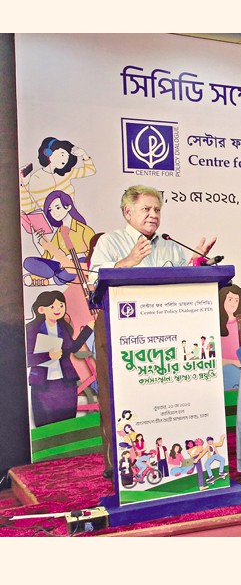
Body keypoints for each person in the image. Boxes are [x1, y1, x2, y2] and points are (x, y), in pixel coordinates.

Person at [90, 184, 217, 480]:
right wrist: (127, 262)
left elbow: (181, 283)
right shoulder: (110, 242)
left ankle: (166, 456)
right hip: (117, 328)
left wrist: (196, 264)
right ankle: (118, 464)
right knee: (115, 396)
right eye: (146, 209)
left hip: (163, 332)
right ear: (128, 212)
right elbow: (93, 282)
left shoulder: (170, 245)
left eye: (157, 209)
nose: (153, 215)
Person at [24, 291, 93, 427]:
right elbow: (28, 359)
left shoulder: (63, 327)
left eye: (61, 306)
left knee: (67, 421)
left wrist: (88, 329)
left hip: (65, 382)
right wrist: (48, 355)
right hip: (42, 384)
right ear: (42, 309)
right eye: (52, 307)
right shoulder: (32, 329)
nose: (58, 309)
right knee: (45, 423)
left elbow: (73, 348)